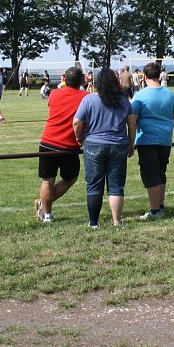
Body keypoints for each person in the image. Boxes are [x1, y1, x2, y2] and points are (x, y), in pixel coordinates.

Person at [73, 68, 136, 228]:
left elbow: (77, 122)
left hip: (93, 144)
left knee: (94, 184)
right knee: (116, 185)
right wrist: (131, 143)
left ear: (97, 83)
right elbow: (132, 124)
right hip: (118, 144)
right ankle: (116, 221)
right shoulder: (124, 101)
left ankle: (93, 222)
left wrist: (79, 137)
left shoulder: (89, 100)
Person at [34, 67, 88, 223]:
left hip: (47, 141)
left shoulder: (54, 94)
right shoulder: (85, 97)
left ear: (65, 80)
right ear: (82, 80)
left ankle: (47, 215)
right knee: (70, 178)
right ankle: (44, 206)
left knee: (47, 180)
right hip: (68, 145)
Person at [131, 62, 174, 221]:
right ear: (160, 75)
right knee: (160, 172)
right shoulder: (169, 93)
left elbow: (133, 117)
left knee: (150, 174)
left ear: (144, 77)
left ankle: (154, 210)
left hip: (147, 139)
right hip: (165, 138)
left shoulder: (140, 95)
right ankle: (160, 205)